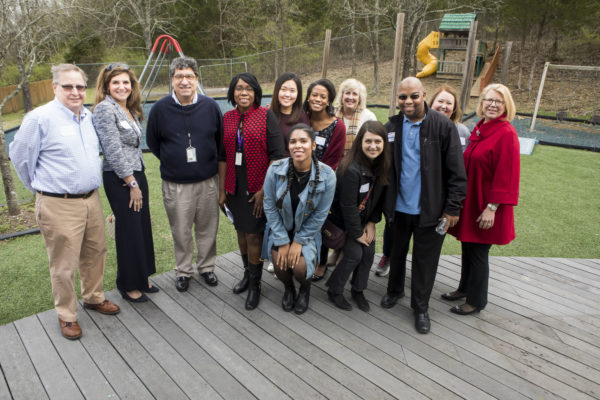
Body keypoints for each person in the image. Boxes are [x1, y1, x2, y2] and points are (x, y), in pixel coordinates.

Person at [9, 64, 120, 340]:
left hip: (91, 199)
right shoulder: (39, 118)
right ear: (54, 87)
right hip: (58, 203)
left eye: (80, 87)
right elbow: (21, 159)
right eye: (68, 86)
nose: (75, 92)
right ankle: (67, 315)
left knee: (96, 251)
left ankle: (93, 297)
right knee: (64, 263)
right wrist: (42, 192)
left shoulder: (88, 117)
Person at [381, 77, 467, 334]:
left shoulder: (442, 126)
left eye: (414, 96)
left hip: (431, 210)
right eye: (403, 97)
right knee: (395, 254)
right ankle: (394, 291)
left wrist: (452, 208)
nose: (408, 102)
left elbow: (457, 172)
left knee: (425, 261)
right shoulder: (392, 126)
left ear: (424, 95)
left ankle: (420, 308)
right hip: (398, 208)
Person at [444, 84, 520, 315]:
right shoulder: (481, 127)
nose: (493, 105)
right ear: (482, 103)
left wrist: (492, 208)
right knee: (468, 246)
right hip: (472, 201)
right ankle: (464, 288)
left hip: (486, 206)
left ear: (506, 105)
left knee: (478, 252)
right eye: (489, 100)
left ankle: (476, 301)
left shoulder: (506, 133)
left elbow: (506, 175)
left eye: (499, 101)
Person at [147, 57, 221, 292]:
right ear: (172, 80)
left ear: (196, 79)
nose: (184, 81)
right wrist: (175, 161)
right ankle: (183, 271)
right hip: (176, 183)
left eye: (189, 76)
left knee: (207, 227)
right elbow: (154, 143)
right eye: (179, 76)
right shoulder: (159, 109)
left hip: (208, 181)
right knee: (180, 230)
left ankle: (207, 267)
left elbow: (219, 142)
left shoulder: (210, 106)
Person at [218, 72, 286, 310]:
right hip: (234, 185)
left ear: (256, 92)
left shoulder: (266, 116)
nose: (243, 92)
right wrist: (223, 189)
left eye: (248, 88)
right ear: (232, 92)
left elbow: (278, 155)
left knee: (254, 235)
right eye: (238, 88)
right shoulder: (227, 118)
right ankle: (247, 275)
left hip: (258, 186)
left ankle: (256, 285)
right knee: (240, 230)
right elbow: (222, 156)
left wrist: (263, 190)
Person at [92, 63, 156, 303]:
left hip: (137, 172)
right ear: (107, 86)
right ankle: (128, 284)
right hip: (121, 178)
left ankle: (143, 277)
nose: (122, 86)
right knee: (128, 230)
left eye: (126, 82)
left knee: (141, 226)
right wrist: (131, 183)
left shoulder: (128, 108)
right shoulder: (104, 109)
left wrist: (137, 178)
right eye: (116, 82)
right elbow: (112, 150)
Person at [263, 124, 336, 314]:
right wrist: (282, 240)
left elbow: (320, 215)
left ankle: (305, 289)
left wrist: (298, 241)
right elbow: (269, 206)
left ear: (313, 145)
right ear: (288, 146)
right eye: (293, 141)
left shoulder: (328, 175)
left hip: (307, 231)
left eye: (303, 141)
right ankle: (289, 289)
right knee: (280, 260)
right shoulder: (275, 170)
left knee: (300, 266)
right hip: (280, 227)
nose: (298, 146)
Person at [326, 121, 390, 312]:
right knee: (355, 253)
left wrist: (371, 222)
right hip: (343, 223)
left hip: (362, 221)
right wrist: (356, 233)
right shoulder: (350, 169)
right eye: (368, 141)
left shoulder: (382, 166)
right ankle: (334, 289)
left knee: (368, 253)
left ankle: (358, 289)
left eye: (378, 141)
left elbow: (379, 200)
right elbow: (347, 207)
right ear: (360, 142)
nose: (373, 146)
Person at [303, 78, 346, 281]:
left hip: (322, 183)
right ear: (308, 96)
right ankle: (301, 259)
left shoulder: (337, 126)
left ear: (329, 100)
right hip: (297, 180)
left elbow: (333, 161)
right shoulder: (302, 119)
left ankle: (321, 263)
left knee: (319, 224)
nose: (318, 99)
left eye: (323, 96)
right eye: (314, 94)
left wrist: (315, 184)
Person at [333, 78, 377, 154]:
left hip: (359, 162)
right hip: (333, 161)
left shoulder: (369, 117)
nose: (350, 97)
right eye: (347, 93)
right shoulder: (332, 113)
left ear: (360, 98)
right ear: (342, 95)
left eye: (355, 94)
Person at [270, 72, 310, 145]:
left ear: (298, 94)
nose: (287, 94)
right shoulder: (267, 116)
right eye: (283, 89)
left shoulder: (303, 118)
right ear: (277, 91)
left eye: (292, 91)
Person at [430, 84, 471, 151]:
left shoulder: (463, 132)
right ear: (432, 103)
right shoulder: (421, 127)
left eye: (449, 103)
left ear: (454, 108)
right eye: (440, 101)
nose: (443, 106)